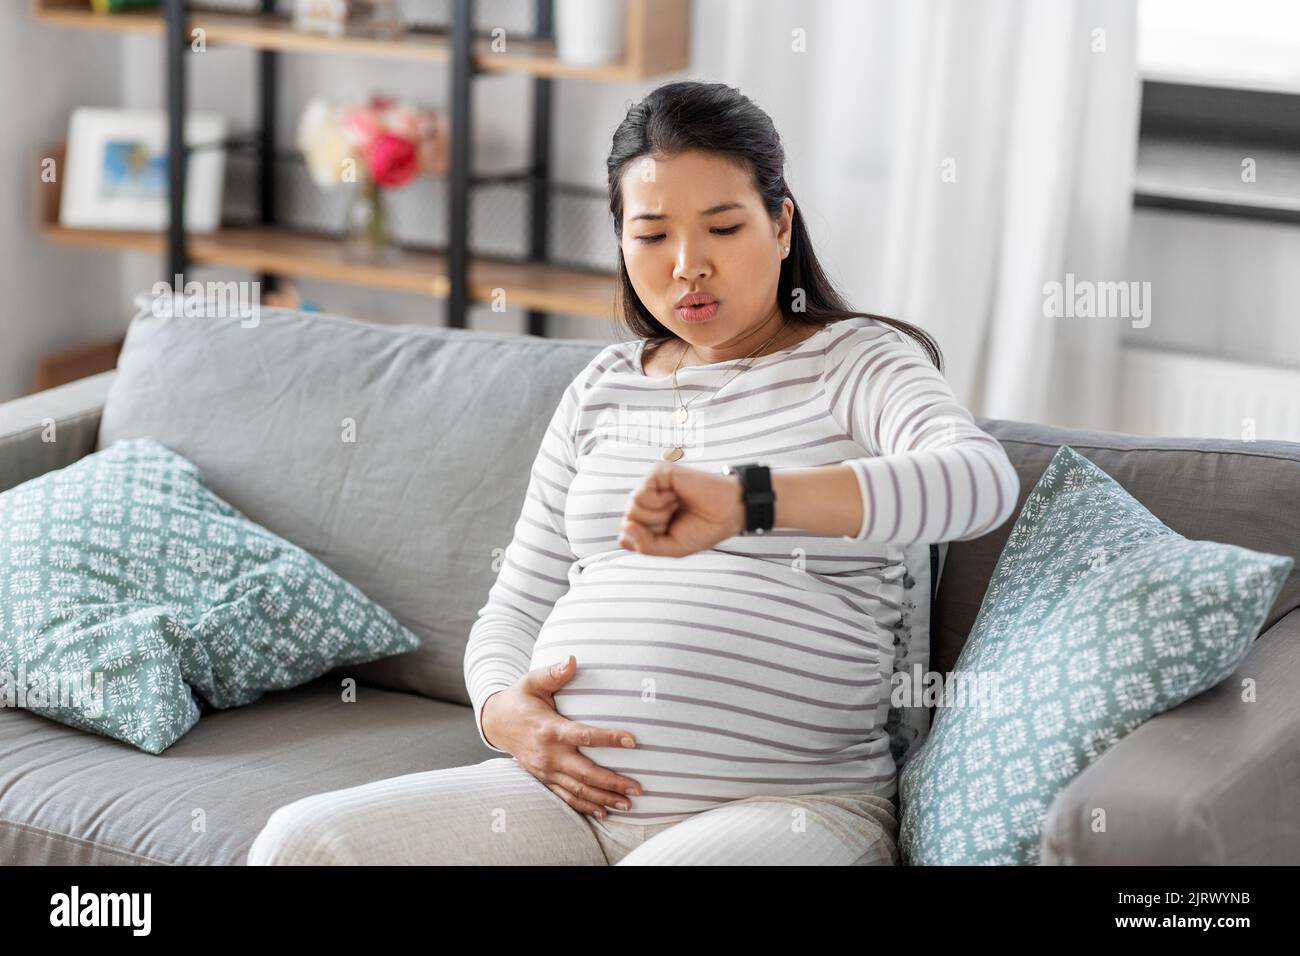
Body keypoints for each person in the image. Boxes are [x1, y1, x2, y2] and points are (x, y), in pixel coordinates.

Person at [247, 80, 1018, 866]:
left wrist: (749, 502)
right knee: (304, 845)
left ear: (781, 225)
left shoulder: (854, 363)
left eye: (723, 227)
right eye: (652, 235)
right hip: (565, 799)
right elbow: (516, 605)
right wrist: (500, 712)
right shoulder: (602, 388)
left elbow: (977, 482)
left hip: (790, 808)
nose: (689, 267)